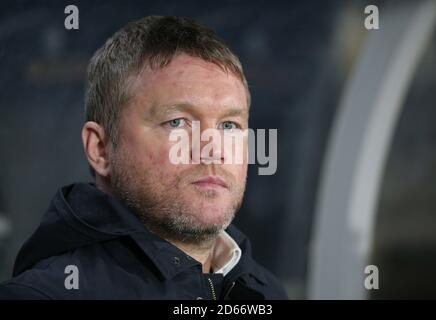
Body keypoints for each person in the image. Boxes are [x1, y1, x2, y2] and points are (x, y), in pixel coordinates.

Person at [0, 16, 287, 299]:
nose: (213, 150)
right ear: (100, 149)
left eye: (229, 126)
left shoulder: (264, 293)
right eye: (177, 122)